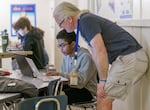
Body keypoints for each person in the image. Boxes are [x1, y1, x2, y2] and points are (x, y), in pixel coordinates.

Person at [53, 2, 149, 110]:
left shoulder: (86, 21)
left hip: (130, 58)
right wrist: (102, 79)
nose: (61, 27)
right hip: (127, 58)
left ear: (69, 18)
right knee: (102, 96)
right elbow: (96, 53)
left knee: (103, 96)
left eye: (60, 23)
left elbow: (100, 51)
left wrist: (103, 80)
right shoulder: (84, 23)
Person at [47, 29, 97, 104]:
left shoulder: (85, 57)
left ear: (73, 44)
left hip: (85, 90)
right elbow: (64, 78)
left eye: (63, 45)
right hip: (72, 86)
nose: (61, 49)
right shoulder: (66, 56)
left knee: (56, 97)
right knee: (48, 91)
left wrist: (60, 74)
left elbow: (80, 83)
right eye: (59, 46)